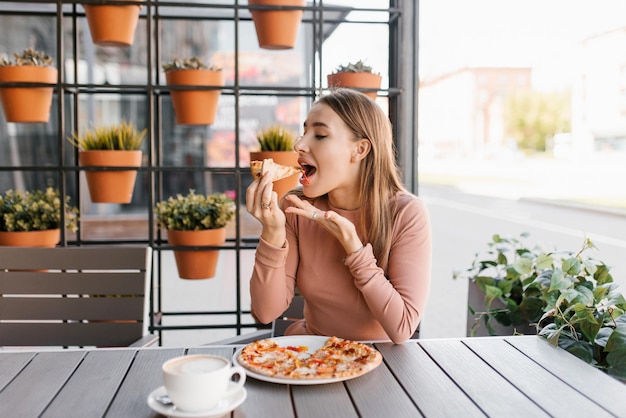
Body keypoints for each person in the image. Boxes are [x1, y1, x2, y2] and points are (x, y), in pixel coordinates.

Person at [246, 88, 431, 344]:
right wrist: (272, 233)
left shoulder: (406, 213)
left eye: (320, 135)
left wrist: (355, 249)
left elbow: (401, 329)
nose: (299, 144)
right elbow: (266, 312)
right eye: (304, 131)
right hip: (308, 356)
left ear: (360, 150)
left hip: (379, 363)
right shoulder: (296, 207)